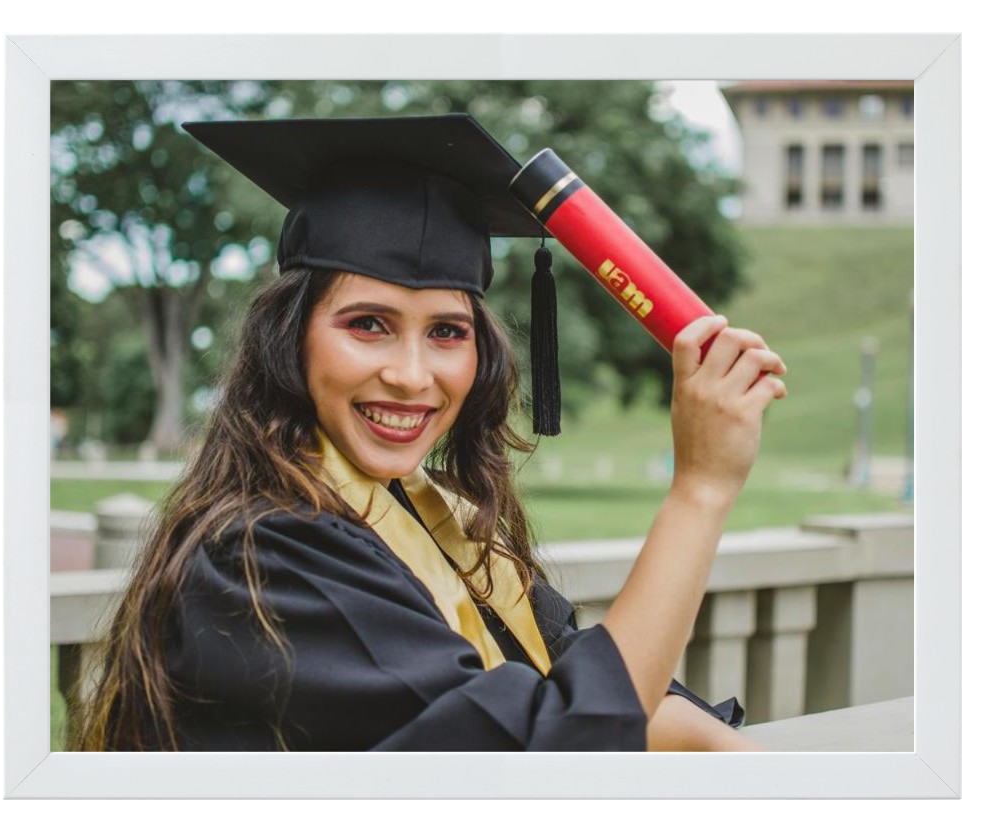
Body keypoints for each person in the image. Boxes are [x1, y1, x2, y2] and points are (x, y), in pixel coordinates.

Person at [73, 114, 786, 752]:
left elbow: (570, 672)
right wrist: (700, 490)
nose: (412, 376)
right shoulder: (264, 557)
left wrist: (736, 756)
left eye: (447, 332)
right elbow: (547, 751)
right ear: (289, 340)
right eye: (368, 325)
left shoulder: (430, 516)